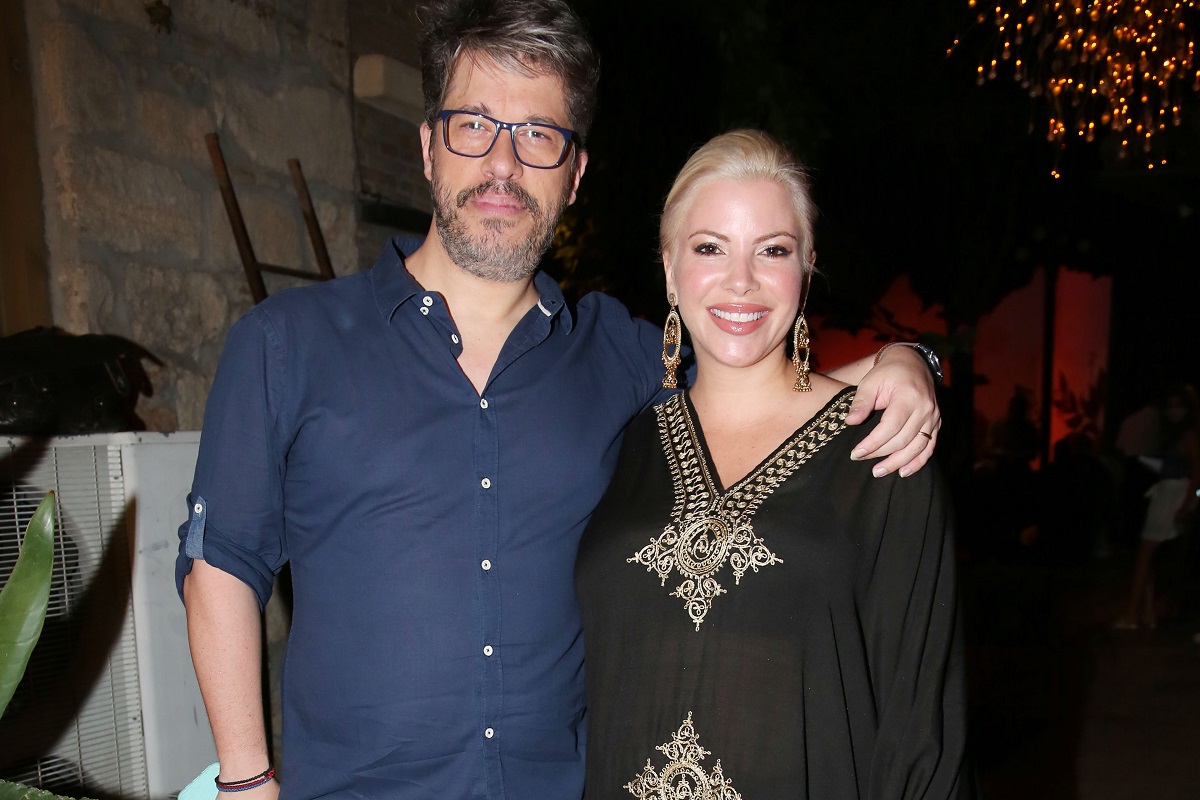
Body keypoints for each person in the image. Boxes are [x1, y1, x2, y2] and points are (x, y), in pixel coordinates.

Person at [175, 2, 943, 798]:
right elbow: (220, 564)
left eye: (538, 135)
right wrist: (246, 781)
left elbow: (761, 382)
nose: (503, 164)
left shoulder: (618, 353)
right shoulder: (285, 343)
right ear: (429, 148)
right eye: (475, 125)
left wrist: (905, 361)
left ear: (574, 174)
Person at [576, 130, 967, 798]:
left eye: (773, 250)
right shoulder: (625, 441)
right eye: (710, 248)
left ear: (807, 267)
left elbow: (921, 728)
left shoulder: (883, 449)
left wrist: (909, 356)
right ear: (669, 268)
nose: (741, 281)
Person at [1114, 384, 1200, 630]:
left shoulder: (1188, 433)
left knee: (1145, 555)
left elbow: (1197, 472)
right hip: (1166, 491)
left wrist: (1188, 503)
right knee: (1147, 556)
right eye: (1170, 405)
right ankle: (1147, 612)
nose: (1174, 410)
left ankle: (1133, 614)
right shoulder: (1174, 433)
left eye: (1179, 405)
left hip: (1174, 494)